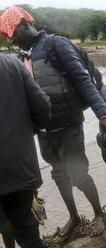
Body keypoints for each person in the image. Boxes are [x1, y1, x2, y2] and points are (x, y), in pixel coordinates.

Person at [0, 6, 106, 237]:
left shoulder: (56, 44)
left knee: (78, 173)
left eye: (13, 34)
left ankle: (99, 214)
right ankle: (74, 216)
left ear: (24, 24)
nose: (12, 41)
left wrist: (103, 114)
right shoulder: (23, 55)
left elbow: (82, 80)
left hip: (68, 125)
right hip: (43, 130)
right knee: (59, 174)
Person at [0, 53, 50, 248]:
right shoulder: (12, 63)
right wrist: (30, 131)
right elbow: (42, 105)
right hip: (19, 166)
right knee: (29, 236)